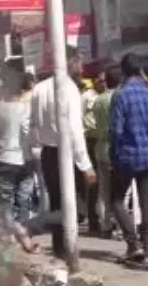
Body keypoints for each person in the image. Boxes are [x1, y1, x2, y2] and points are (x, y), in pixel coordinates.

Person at [29, 47, 98, 258]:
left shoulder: (39, 89)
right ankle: (61, 244)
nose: (81, 65)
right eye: (79, 60)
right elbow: (75, 131)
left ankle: (61, 250)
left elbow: (33, 126)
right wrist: (85, 165)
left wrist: (36, 148)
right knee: (74, 208)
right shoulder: (69, 89)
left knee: (58, 203)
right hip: (66, 154)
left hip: (48, 153)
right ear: (69, 62)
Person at [108, 53, 148, 264]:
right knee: (146, 200)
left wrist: (114, 155)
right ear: (140, 70)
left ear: (123, 71)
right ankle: (147, 247)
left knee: (116, 200)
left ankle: (133, 244)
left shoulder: (121, 95)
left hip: (126, 156)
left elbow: (116, 131)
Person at [0, 65, 39, 252]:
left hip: (5, 158)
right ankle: (24, 232)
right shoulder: (25, 109)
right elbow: (29, 133)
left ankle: (11, 234)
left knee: (5, 200)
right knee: (24, 199)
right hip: (25, 158)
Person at [90, 65, 121, 236]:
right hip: (115, 149)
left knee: (103, 190)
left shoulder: (98, 101)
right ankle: (118, 223)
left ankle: (105, 225)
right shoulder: (118, 98)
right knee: (119, 191)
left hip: (100, 147)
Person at [83, 71, 108, 235]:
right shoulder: (86, 97)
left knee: (106, 184)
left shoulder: (107, 97)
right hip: (90, 140)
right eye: (100, 80)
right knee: (94, 183)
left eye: (105, 81)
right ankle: (93, 220)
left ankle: (105, 219)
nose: (103, 84)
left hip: (103, 141)